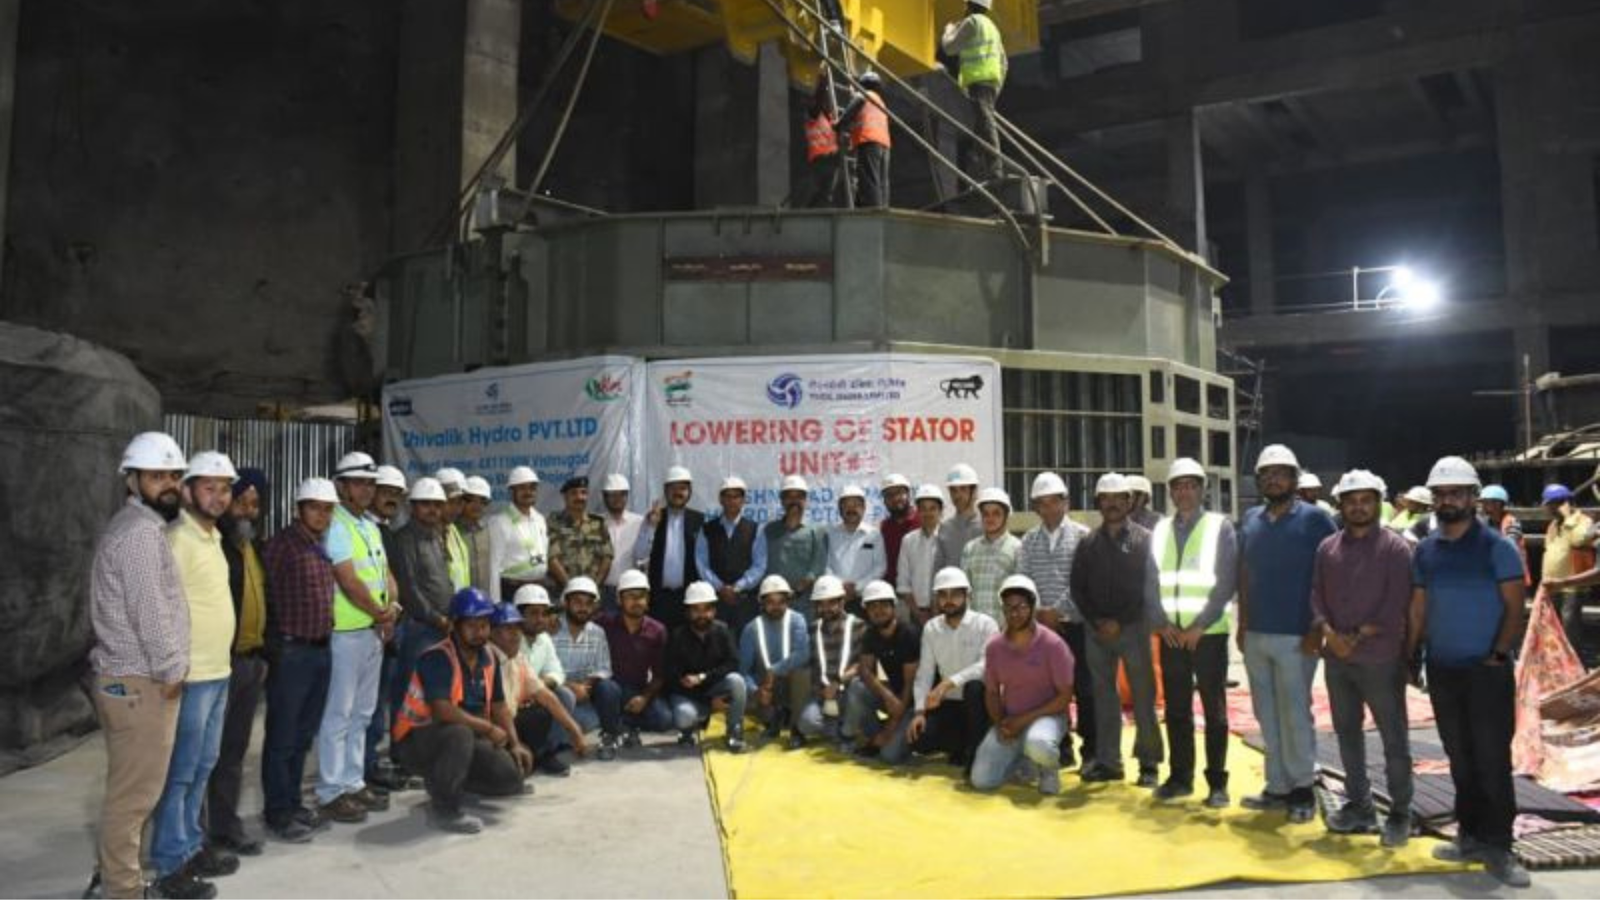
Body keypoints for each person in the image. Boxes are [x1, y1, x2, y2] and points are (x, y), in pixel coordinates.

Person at [1407, 457, 1530, 887]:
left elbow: (1515, 607)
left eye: (1457, 493)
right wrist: (1412, 653)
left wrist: (1497, 654)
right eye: (1441, 494)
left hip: (1486, 672)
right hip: (1443, 669)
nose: (1448, 500)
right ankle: (1471, 835)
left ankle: (1500, 846)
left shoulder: (1498, 547)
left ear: (1473, 498)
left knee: (1492, 759)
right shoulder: (1425, 550)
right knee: (1459, 757)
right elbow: (1419, 608)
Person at [88, 433, 190, 900]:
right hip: (141, 683)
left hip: (130, 681)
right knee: (133, 802)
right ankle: (124, 892)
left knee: (127, 793)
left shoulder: (141, 528)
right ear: (133, 481)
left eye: (173, 475)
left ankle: (111, 878)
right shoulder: (139, 537)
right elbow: (150, 612)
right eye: (156, 476)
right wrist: (171, 671)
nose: (168, 484)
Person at [150, 451, 240, 896]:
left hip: (218, 670)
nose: (219, 496)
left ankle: (190, 845)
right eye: (209, 487)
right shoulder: (176, 538)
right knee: (181, 772)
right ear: (186, 491)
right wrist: (171, 667)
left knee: (203, 765)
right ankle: (169, 864)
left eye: (225, 488)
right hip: (189, 674)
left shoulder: (213, 536)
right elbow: (161, 609)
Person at [1310, 469, 1414, 847]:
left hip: (1379, 659)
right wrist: (1326, 631)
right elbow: (1316, 595)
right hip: (1337, 659)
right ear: (1341, 505)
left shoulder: (1395, 549)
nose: (1358, 507)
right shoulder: (1328, 548)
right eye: (1351, 501)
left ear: (1377, 503)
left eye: (1365, 500)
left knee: (1393, 737)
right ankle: (1360, 805)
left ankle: (1401, 812)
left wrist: (1352, 638)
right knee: (1347, 733)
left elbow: (1395, 605)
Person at [1237, 444, 1337, 823]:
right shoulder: (1251, 519)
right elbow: (1244, 574)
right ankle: (1276, 784)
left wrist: (1318, 627)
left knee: (1295, 712)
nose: (1273, 479)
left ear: (1295, 479)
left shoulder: (1315, 520)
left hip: (1298, 634)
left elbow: (1330, 573)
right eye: (1267, 473)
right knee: (1266, 713)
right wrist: (1243, 623)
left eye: (1281, 473)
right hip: (1257, 633)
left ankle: (1301, 789)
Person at [392, 588, 533, 835]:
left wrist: (515, 743)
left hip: (464, 736)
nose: (480, 632)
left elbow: (499, 705)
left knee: (510, 780)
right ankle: (445, 809)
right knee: (459, 733)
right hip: (417, 741)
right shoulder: (437, 657)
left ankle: (451, 782)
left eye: (484, 625)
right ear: (455, 625)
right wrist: (489, 729)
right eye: (472, 625)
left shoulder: (488, 657)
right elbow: (443, 711)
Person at [316, 451, 400, 825]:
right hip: (347, 633)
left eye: (370, 483)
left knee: (363, 713)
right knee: (340, 713)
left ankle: (352, 781)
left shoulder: (369, 524)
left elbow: (385, 574)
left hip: (373, 632)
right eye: (359, 483)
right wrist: (379, 612)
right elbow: (347, 579)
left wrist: (392, 608)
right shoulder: (336, 524)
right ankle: (331, 790)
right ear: (342, 486)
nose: (367, 490)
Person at [1150, 458, 1237, 806]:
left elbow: (1226, 580)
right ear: (1170, 492)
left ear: (1202, 490)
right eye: (1178, 486)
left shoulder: (1220, 527)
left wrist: (1199, 626)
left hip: (1208, 635)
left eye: (1191, 485)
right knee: (1176, 711)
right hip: (1171, 636)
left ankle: (1217, 783)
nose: (1184, 492)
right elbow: (1149, 582)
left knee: (1214, 711)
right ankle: (1180, 777)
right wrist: (1161, 623)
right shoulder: (1159, 530)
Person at [259, 478, 340, 844]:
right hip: (292, 653)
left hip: (320, 650)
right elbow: (266, 598)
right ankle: (277, 812)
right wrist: (274, 647)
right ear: (298, 509)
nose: (321, 515)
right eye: (314, 507)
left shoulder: (319, 546)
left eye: (327, 509)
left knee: (303, 734)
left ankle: (293, 803)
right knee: (283, 736)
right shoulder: (282, 546)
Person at [1071, 472, 1165, 786]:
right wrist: (1098, 621)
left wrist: (1119, 622)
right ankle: (1109, 762)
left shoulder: (1144, 540)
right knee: (1103, 697)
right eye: (1105, 499)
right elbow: (1078, 588)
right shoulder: (1087, 543)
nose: (1111, 504)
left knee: (1143, 697)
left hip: (1134, 629)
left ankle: (1149, 764)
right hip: (1096, 631)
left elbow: (1148, 589)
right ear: (1098, 503)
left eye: (1118, 498)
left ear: (1129, 501)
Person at [205, 467, 269, 859]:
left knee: (232, 753)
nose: (248, 510)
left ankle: (226, 826)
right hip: (219, 663)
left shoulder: (252, 547)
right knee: (201, 757)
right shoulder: (215, 545)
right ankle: (196, 838)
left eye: (255, 503)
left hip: (251, 661)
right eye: (242, 501)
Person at [969, 575, 1075, 795]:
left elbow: (1065, 697)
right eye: (1008, 608)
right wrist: (1000, 724)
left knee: (1039, 744)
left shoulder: (1053, 645)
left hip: (1049, 718)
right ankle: (1024, 760)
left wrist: (1022, 721)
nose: (1014, 614)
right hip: (1011, 719)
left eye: (1021, 607)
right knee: (981, 780)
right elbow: (991, 692)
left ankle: (1048, 767)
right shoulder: (995, 646)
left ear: (1033, 606)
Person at [1015, 471, 1094, 766]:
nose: (1048, 509)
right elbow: (1023, 580)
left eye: (1054, 502)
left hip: (1075, 626)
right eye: (1042, 504)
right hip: (1042, 631)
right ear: (1035, 507)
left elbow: (1082, 581)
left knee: (1085, 689)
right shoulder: (1029, 541)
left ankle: (1091, 751)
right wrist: (1039, 613)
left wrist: (1055, 611)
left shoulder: (1083, 536)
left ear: (1066, 502)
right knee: (1051, 690)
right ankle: (1062, 747)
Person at [389, 478, 458, 763]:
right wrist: (437, 618)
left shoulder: (435, 535)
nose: (432, 510)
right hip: (421, 628)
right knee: (407, 693)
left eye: (437, 505)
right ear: (412, 507)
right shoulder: (405, 538)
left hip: (441, 627)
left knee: (432, 694)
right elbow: (410, 588)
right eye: (426, 504)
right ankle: (401, 754)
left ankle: (422, 753)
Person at [906, 567, 997, 775]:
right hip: (950, 704)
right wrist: (920, 712)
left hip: (981, 705)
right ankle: (962, 745)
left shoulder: (986, 624)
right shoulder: (931, 628)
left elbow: (986, 665)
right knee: (918, 740)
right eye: (943, 595)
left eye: (955, 594)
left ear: (967, 595)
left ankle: (974, 753)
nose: (949, 600)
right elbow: (925, 672)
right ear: (936, 599)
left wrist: (948, 682)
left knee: (974, 687)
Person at [487, 602, 586, 776]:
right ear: (492, 633)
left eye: (518, 628)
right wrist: (515, 743)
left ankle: (540, 754)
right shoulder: (486, 659)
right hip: (489, 729)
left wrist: (574, 729)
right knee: (508, 776)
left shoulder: (516, 657)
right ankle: (520, 754)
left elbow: (545, 695)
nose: (516, 634)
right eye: (508, 629)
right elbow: (498, 710)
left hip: (509, 721)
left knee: (545, 710)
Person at [665, 581, 749, 752]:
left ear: (714, 611)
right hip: (687, 694)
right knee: (684, 717)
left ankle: (734, 731)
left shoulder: (722, 631)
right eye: (696, 610)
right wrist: (709, 702)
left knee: (737, 681)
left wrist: (703, 677)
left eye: (707, 609)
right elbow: (672, 678)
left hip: (713, 686)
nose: (702, 615)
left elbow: (733, 663)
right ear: (688, 612)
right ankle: (687, 731)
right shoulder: (677, 636)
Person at [845, 581, 920, 762]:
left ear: (893, 607)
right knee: (856, 687)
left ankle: (892, 736)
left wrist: (890, 730)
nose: (878, 611)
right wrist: (886, 695)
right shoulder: (870, 634)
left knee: (890, 755)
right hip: (893, 695)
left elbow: (911, 683)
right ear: (866, 610)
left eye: (884, 605)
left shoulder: (908, 634)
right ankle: (878, 735)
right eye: (873, 606)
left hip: (913, 702)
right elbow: (865, 670)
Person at [511, 585, 582, 774]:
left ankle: (546, 751)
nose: (540, 619)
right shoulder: (509, 638)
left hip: (534, 696)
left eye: (544, 613)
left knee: (565, 695)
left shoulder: (544, 638)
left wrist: (541, 685)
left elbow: (557, 672)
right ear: (519, 614)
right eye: (533, 613)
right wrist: (532, 690)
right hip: (510, 704)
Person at [551, 576, 624, 760]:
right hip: (557, 694)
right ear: (566, 603)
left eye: (588, 603)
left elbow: (604, 668)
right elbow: (541, 673)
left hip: (585, 695)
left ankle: (609, 736)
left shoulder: (597, 632)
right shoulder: (551, 629)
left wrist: (587, 685)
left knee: (610, 689)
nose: (583, 608)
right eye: (577, 602)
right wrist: (569, 686)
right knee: (571, 715)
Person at [598, 569, 673, 746]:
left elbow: (659, 675)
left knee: (665, 719)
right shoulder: (604, 624)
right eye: (630, 596)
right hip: (612, 688)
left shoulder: (657, 631)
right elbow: (578, 623)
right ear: (619, 599)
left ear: (647, 600)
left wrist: (645, 698)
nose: (636, 601)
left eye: (641, 596)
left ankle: (620, 722)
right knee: (606, 688)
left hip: (638, 689)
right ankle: (615, 727)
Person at [739, 575, 812, 749]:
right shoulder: (751, 629)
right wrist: (756, 691)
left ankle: (796, 729)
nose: (776, 607)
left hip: (792, 684)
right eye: (770, 602)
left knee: (802, 673)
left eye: (781, 601)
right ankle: (775, 718)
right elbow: (743, 670)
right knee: (755, 704)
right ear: (762, 603)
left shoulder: (797, 620)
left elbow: (803, 653)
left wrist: (774, 670)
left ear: (788, 601)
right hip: (767, 688)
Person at [940, 0, 1007, 181]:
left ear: (969, 5)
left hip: (978, 82)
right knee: (980, 127)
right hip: (990, 83)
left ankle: (995, 170)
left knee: (985, 125)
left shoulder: (972, 22)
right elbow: (1004, 62)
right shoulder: (992, 27)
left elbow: (949, 48)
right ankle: (979, 170)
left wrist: (948, 30)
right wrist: (997, 86)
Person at [796, 575, 867, 747]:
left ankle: (847, 732)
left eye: (831, 603)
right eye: (821, 604)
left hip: (849, 694)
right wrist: (822, 692)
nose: (825, 608)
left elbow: (864, 664)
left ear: (842, 602)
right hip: (823, 695)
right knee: (807, 724)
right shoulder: (812, 629)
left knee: (859, 687)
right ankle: (842, 728)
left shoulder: (859, 626)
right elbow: (808, 663)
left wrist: (837, 682)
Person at [635, 466, 704, 631]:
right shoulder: (654, 517)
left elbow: (704, 560)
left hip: (689, 598)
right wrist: (651, 526)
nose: (678, 492)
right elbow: (640, 555)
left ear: (690, 492)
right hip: (659, 598)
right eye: (673, 488)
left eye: (683, 488)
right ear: (665, 491)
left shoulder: (699, 520)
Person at [697, 476, 767, 633]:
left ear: (743, 500)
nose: (732, 500)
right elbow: (701, 563)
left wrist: (738, 587)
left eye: (736, 496)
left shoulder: (756, 529)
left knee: (746, 649)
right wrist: (720, 587)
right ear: (721, 499)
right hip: (716, 602)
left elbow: (760, 565)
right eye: (727, 496)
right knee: (716, 648)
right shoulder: (707, 529)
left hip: (745, 603)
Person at [1539, 483, 1595, 659]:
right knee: (1553, 626)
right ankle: (1559, 662)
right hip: (1552, 584)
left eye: (1551, 504)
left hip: (1573, 584)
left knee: (1570, 624)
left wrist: (1569, 518)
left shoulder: (1584, 521)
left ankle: (1574, 662)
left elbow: (1580, 540)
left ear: (1564, 503)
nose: (1548, 508)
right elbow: (1550, 551)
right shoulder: (1553, 525)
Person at [763, 475, 828, 620]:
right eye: (789, 496)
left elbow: (818, 566)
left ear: (805, 500)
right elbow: (763, 564)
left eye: (799, 496)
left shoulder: (817, 531)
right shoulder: (770, 530)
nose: (794, 501)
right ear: (782, 500)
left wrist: (799, 588)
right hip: (774, 603)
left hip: (805, 603)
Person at [488, 466, 548, 602]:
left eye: (532, 488)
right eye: (522, 488)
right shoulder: (499, 522)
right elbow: (494, 566)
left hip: (539, 589)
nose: (528, 492)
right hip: (512, 590)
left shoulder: (540, 519)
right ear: (512, 491)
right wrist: (496, 603)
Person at [825, 484, 887, 612]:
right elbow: (826, 565)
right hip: (836, 598)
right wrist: (841, 587)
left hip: (866, 599)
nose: (851, 509)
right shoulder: (830, 534)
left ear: (864, 508)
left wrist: (857, 587)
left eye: (856, 504)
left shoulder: (874, 535)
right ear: (840, 509)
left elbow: (880, 567)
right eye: (846, 505)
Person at [960, 487, 1020, 621]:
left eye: (996, 513)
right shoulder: (969, 549)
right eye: (986, 514)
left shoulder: (1018, 548)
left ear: (1006, 515)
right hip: (976, 630)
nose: (990, 518)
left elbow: (1020, 595)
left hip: (1006, 630)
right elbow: (965, 593)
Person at [548, 476, 614, 591]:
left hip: (593, 591)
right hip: (562, 590)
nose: (579, 497)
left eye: (583, 493)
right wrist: (571, 589)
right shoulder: (553, 523)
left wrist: (594, 587)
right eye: (573, 493)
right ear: (565, 497)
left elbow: (607, 558)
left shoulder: (598, 523)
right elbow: (552, 559)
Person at [838, 70, 891, 208]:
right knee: (881, 182)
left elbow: (852, 109)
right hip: (884, 144)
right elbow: (863, 118)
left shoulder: (864, 95)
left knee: (869, 180)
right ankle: (881, 208)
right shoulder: (880, 102)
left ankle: (873, 212)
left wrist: (839, 125)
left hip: (869, 141)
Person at [896, 484, 946, 625]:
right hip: (916, 614)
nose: (927, 513)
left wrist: (937, 610)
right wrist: (918, 613)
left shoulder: (949, 538)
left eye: (932, 508)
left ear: (941, 511)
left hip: (945, 612)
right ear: (917, 511)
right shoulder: (908, 540)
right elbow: (903, 583)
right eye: (923, 508)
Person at [600, 474, 645, 613]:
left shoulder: (640, 522)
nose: (617, 499)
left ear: (627, 496)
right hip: (603, 592)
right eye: (612, 495)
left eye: (621, 495)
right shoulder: (596, 523)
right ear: (604, 497)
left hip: (632, 591)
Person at [1478, 485, 1530, 588]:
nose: (1482, 506)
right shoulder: (1486, 523)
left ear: (1497, 504)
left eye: (1486, 502)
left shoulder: (1511, 522)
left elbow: (1508, 548)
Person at [803, 73, 843, 208]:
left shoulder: (829, 119)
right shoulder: (813, 114)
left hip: (832, 160)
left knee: (827, 193)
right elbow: (819, 100)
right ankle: (809, 212)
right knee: (818, 191)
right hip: (819, 160)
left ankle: (815, 212)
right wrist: (824, 81)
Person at [936, 463, 982, 571]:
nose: (957, 495)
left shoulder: (986, 526)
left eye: (963, 489)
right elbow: (938, 568)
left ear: (974, 491)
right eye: (953, 490)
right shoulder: (945, 528)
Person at [878, 474, 919, 593]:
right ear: (884, 501)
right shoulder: (885, 527)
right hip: (892, 593)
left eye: (899, 493)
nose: (895, 498)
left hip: (920, 592)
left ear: (908, 494)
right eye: (889, 495)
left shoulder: (921, 521)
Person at [457, 476, 495, 591]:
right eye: (471, 500)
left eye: (482, 501)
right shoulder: (450, 531)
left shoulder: (491, 531)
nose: (476, 506)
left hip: (485, 598)